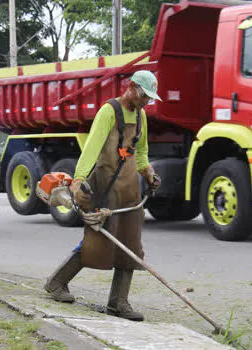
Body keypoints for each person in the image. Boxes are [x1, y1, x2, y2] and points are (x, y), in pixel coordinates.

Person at [44, 70, 162, 321]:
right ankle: (56, 283)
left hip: (129, 188)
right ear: (131, 87)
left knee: (131, 244)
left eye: (150, 99)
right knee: (96, 241)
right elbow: (91, 150)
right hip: (104, 187)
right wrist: (78, 181)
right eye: (144, 96)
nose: (146, 102)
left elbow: (141, 153)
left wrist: (148, 172)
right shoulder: (109, 112)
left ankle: (118, 303)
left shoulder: (141, 116)